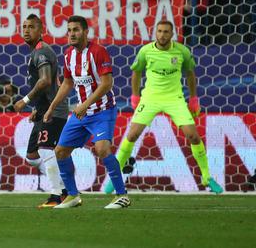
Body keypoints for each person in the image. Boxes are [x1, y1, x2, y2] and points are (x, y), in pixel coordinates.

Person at [104, 21, 224, 195]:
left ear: (172, 34)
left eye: (166, 32)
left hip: (174, 98)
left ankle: (207, 177)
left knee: (193, 135)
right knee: (132, 134)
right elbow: (136, 72)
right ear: (155, 33)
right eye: (159, 31)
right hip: (151, 97)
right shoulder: (146, 51)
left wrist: (193, 99)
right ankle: (115, 178)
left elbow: (190, 74)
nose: (162, 35)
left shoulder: (182, 51)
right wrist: (135, 95)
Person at [43, 15, 130, 209]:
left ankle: (121, 195)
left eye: (76, 30)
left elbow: (107, 84)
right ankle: (73, 196)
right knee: (61, 151)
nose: (72, 34)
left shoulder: (99, 52)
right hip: (81, 114)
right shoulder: (68, 55)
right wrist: (51, 107)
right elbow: (67, 83)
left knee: (102, 149)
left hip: (102, 111)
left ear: (85, 32)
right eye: (69, 30)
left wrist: (84, 104)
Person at [13, 15, 68, 208]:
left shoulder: (42, 51)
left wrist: (25, 100)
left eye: (32, 27)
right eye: (24, 26)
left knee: (45, 150)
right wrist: (37, 108)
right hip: (44, 108)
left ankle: (56, 196)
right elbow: (47, 85)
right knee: (32, 155)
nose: (27, 30)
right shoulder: (35, 52)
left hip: (54, 109)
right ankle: (64, 188)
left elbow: (45, 81)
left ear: (41, 30)